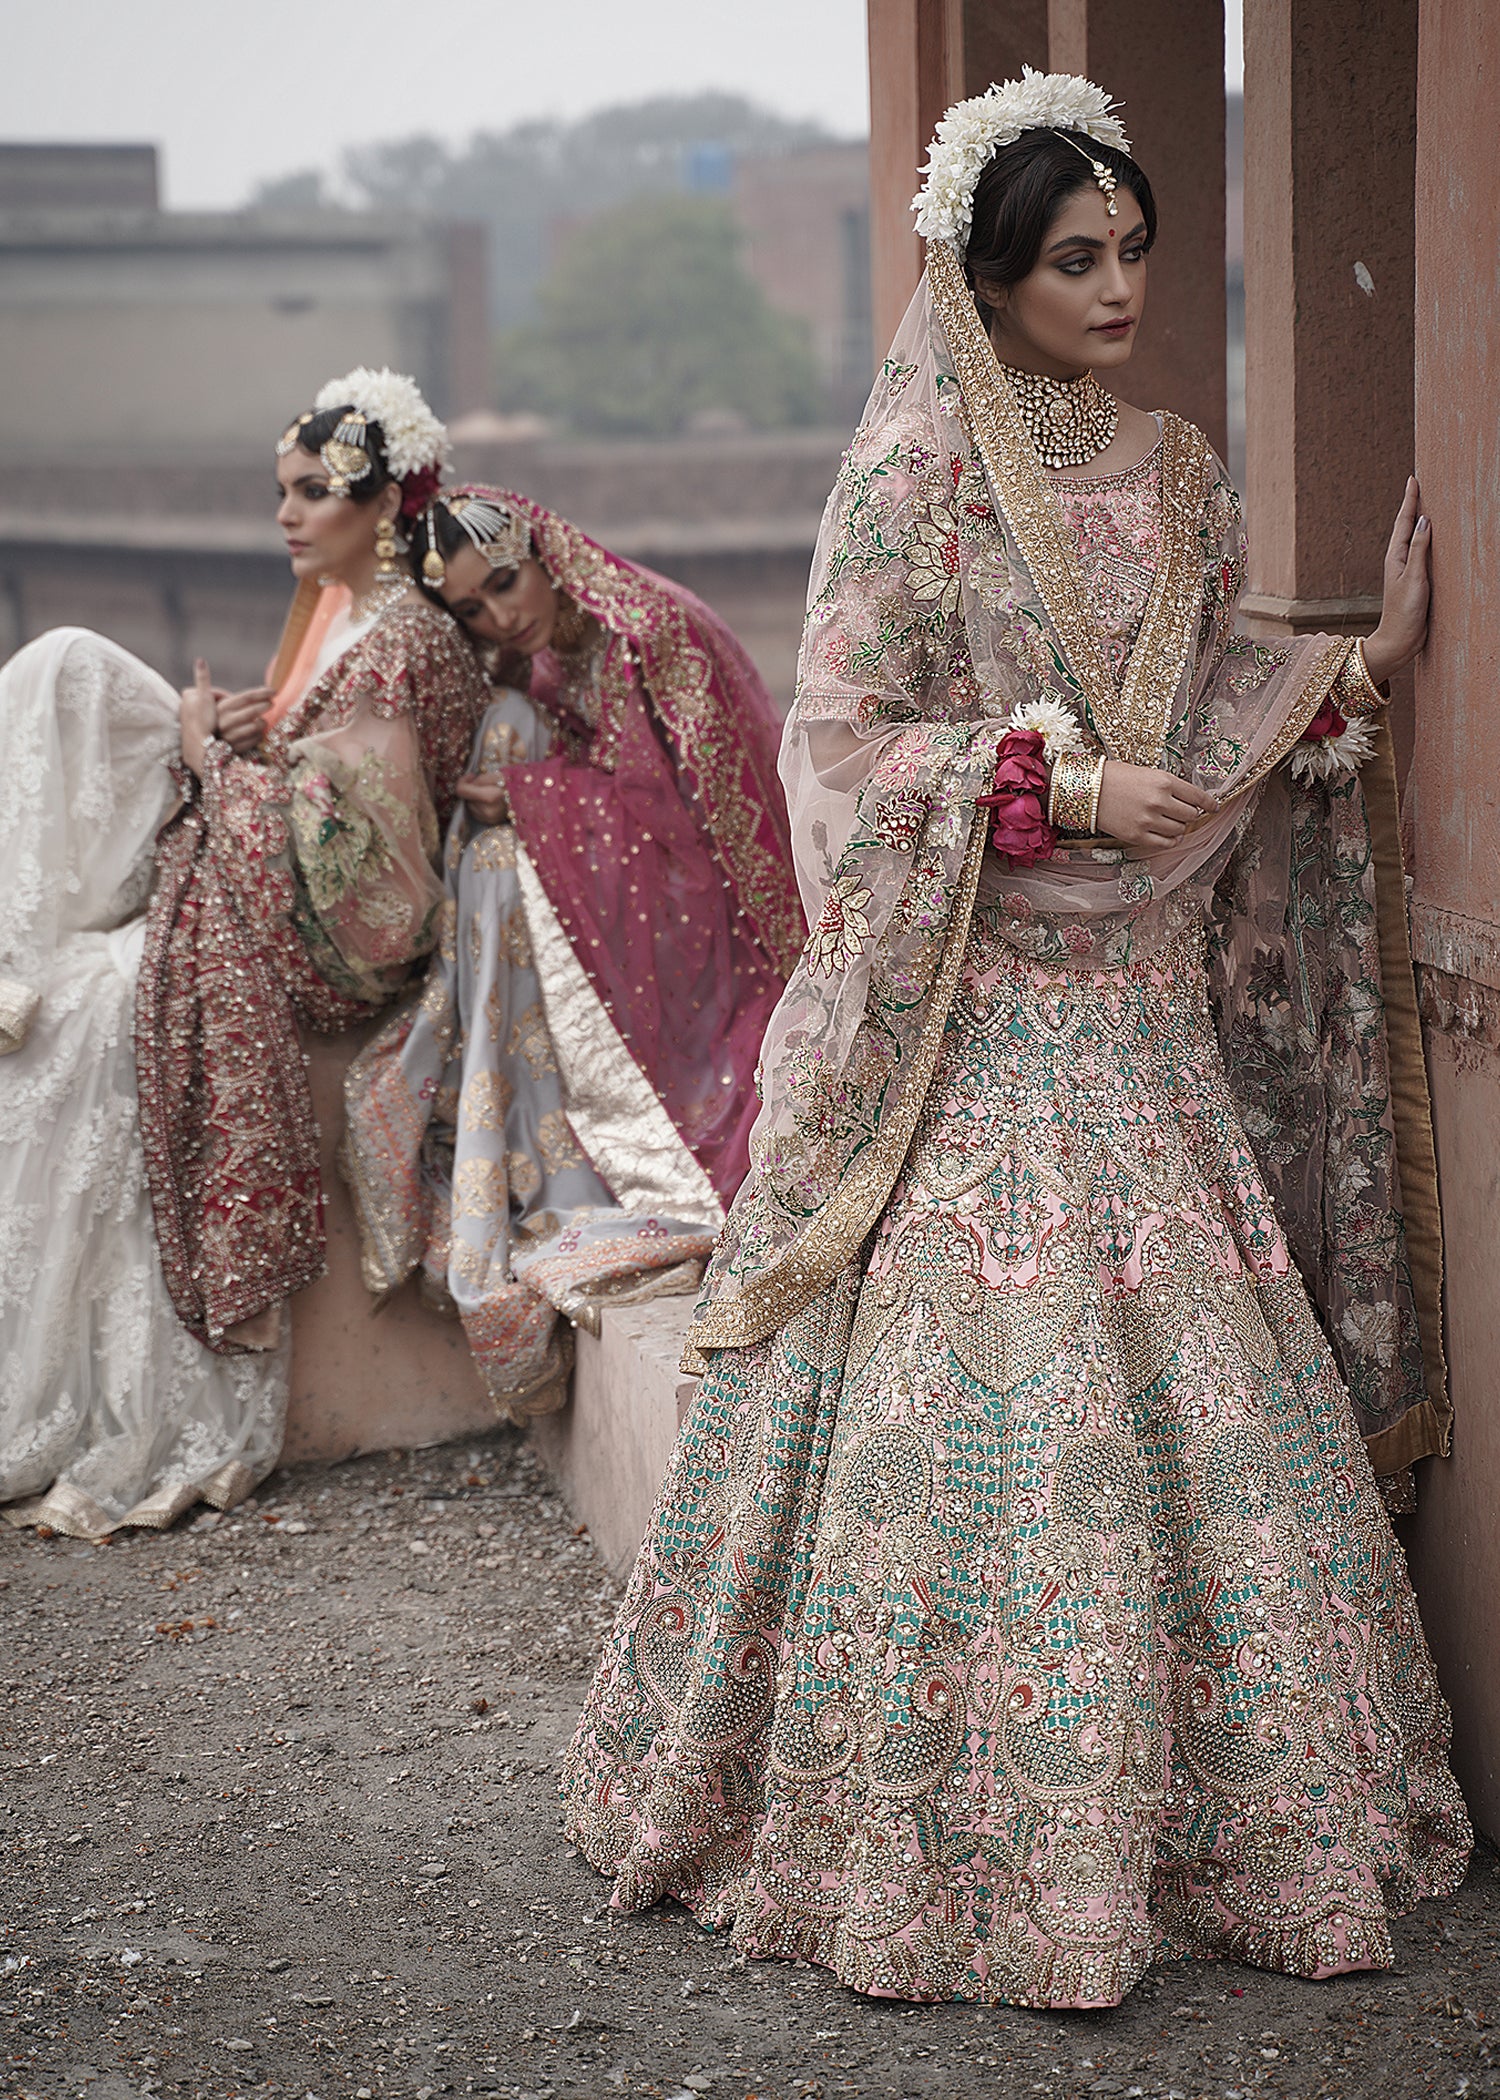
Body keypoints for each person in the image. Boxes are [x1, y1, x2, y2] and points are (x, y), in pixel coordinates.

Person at [561, 73, 1471, 2009]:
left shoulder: (1180, 464)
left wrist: (1356, 673)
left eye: (1137, 248)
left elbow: (1218, 676)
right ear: (988, 278)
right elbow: (846, 745)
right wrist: (1041, 785)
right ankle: (947, 1839)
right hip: (979, 1044)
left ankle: (1211, 1832)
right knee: (980, 1437)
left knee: (1207, 1425)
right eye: (1080, 258)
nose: (1123, 283)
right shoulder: (911, 478)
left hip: (1149, 1044)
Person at [0, 367, 487, 1538]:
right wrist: (227, 743)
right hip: (256, 883)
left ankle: (15, 961)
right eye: (282, 491)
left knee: (66, 660)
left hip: (333, 937)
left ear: (381, 507)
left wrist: (207, 758)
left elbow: (366, 856)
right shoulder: (349, 623)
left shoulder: (412, 637)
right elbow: (311, 779)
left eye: (312, 492)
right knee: (63, 686)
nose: (285, 516)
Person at [341, 486, 804, 1415]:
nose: (503, 615)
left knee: (508, 838)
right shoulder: (544, 663)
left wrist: (534, 802)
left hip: (718, 926)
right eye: (475, 609)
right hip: (625, 898)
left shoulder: (654, 635)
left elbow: (701, 837)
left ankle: (534, 1128)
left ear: (545, 549)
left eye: (506, 584)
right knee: (505, 764)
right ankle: (517, 1127)